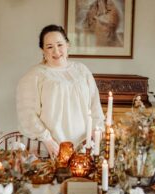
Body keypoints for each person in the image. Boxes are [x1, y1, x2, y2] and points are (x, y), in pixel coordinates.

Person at [16, 24, 104, 157]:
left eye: (60, 45)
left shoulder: (82, 70)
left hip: (84, 147)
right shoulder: (34, 76)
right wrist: (47, 139)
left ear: (67, 45)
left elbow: (94, 104)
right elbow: (27, 115)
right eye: (49, 47)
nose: (56, 51)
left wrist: (96, 130)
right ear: (43, 50)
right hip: (51, 148)